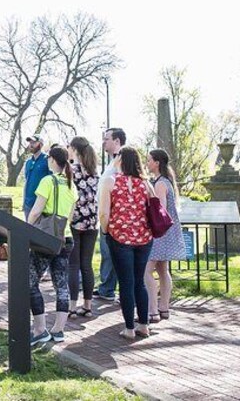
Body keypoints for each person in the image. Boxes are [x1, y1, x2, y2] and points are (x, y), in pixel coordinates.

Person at [98, 146, 154, 340]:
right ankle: (144, 325)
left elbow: (104, 212)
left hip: (120, 236)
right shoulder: (146, 184)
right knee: (139, 281)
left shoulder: (110, 181)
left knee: (126, 282)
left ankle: (129, 328)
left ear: (120, 159)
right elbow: (154, 209)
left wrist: (105, 231)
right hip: (144, 237)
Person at [27, 146, 78, 345]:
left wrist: (26, 229)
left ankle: (40, 329)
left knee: (30, 282)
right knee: (61, 285)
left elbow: (36, 211)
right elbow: (70, 217)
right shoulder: (71, 185)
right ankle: (58, 330)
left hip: (46, 239)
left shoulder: (48, 181)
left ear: (52, 160)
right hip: (65, 239)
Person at [144, 149, 186, 322]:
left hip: (160, 232)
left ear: (157, 163)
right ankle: (164, 308)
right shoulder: (166, 181)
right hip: (168, 231)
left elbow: (159, 209)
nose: (147, 163)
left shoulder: (160, 184)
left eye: (149, 160)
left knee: (146, 271)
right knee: (163, 270)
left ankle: (153, 309)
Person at [67, 136, 99, 319]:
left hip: (75, 221)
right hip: (92, 222)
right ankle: (87, 305)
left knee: (73, 264)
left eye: (70, 147)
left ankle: (72, 305)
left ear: (75, 149)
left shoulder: (71, 170)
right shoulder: (95, 171)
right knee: (87, 265)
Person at [94, 127, 126, 302]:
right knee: (108, 253)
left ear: (117, 141)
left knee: (114, 253)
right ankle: (106, 287)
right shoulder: (112, 161)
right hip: (107, 212)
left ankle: (118, 290)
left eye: (107, 139)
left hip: (115, 214)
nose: (103, 142)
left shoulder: (122, 160)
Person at [23, 135, 50, 222]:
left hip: (41, 204)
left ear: (41, 144)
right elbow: (26, 182)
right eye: (30, 142)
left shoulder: (47, 160)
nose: (31, 145)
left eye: (34, 142)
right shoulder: (28, 162)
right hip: (28, 204)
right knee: (28, 232)